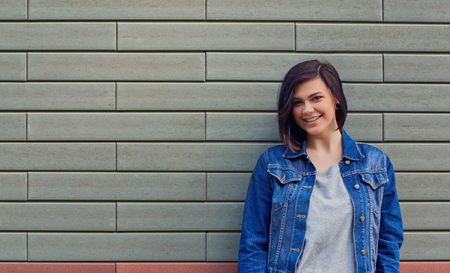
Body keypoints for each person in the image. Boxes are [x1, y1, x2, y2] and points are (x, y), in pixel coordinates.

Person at [238, 60, 403, 273]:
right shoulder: (273, 164)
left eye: (316, 98)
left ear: (336, 99)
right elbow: (253, 242)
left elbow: (388, 243)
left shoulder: (376, 164)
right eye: (297, 102)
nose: (307, 109)